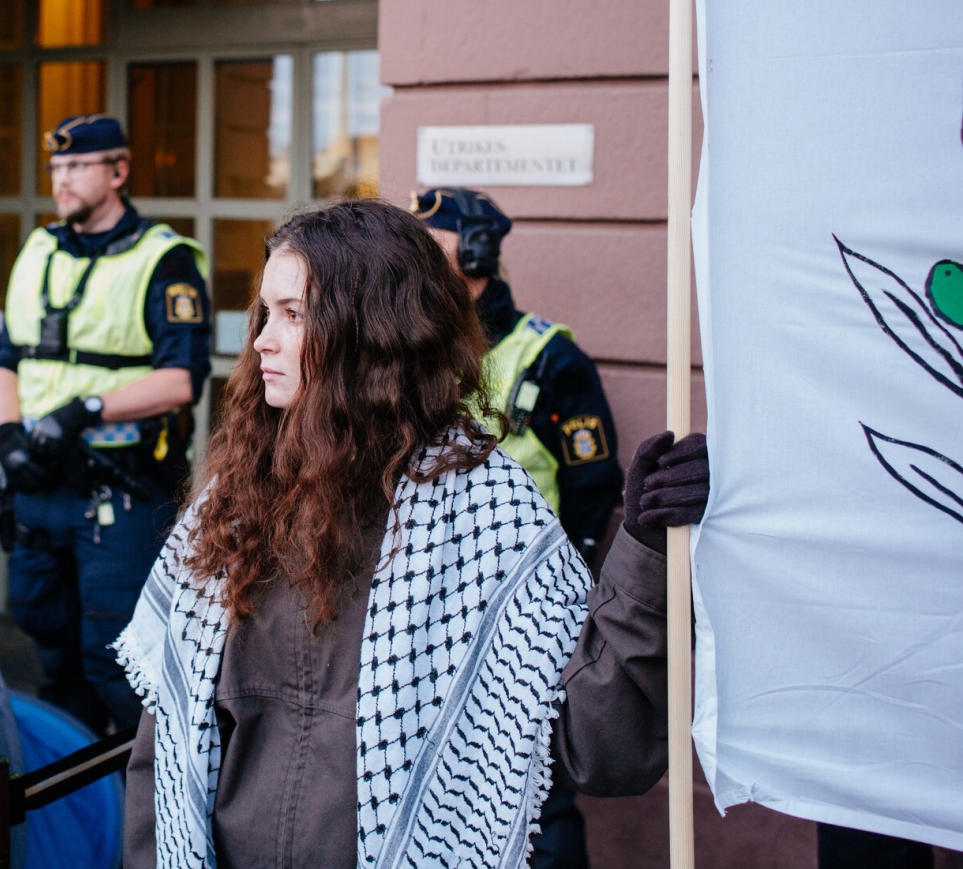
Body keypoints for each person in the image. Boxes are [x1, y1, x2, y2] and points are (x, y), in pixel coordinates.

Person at [117, 200, 710, 869]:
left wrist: (648, 553)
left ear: (371, 332)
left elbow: (598, 751)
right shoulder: (232, 504)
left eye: (293, 314)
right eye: (265, 313)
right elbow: (163, 750)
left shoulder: (483, 511)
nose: (261, 340)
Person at [0, 114, 212, 733]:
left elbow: (182, 380)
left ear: (117, 171)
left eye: (77, 167)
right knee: (49, 646)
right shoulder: (37, 251)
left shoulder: (163, 259)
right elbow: (6, 359)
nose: (61, 181)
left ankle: (146, 799)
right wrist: (6, 436)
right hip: (39, 485)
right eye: (56, 168)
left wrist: (86, 409)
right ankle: (83, 802)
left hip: (121, 489)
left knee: (117, 659)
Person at [413, 187, 624, 563]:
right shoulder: (409, 347)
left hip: (522, 570)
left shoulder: (553, 357)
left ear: (477, 252)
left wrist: (565, 573)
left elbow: (593, 485)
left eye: (428, 244)